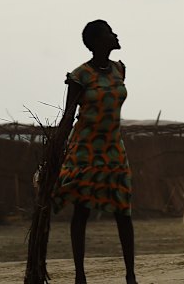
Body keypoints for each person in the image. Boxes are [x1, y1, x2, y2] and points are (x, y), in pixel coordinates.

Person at [52, 20, 137, 284]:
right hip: (86, 150)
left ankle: (131, 276)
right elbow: (68, 117)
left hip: (113, 150)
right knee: (82, 211)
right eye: (111, 32)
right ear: (99, 41)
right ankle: (80, 276)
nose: (116, 35)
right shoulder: (80, 77)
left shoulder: (119, 70)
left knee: (123, 211)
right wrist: (55, 151)